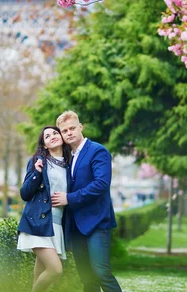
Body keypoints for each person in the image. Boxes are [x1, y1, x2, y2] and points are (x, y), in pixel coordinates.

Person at [52, 111, 122, 292]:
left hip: (97, 222)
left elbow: (101, 184)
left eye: (72, 128)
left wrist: (69, 198)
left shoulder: (97, 151)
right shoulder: (68, 157)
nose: (69, 133)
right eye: (64, 130)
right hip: (75, 226)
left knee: (100, 272)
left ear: (80, 127)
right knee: (87, 278)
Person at [17, 126, 71, 292]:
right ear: (45, 145)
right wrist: (37, 173)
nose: (53, 136)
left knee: (39, 276)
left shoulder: (70, 164)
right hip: (37, 223)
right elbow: (25, 194)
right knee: (55, 270)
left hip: (56, 225)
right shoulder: (39, 162)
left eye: (55, 133)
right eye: (47, 136)